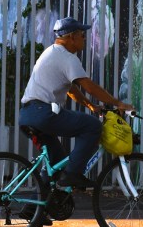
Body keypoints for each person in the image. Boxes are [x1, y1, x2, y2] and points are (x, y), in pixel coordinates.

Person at [19, 16, 134, 190]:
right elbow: (89, 86)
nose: (84, 38)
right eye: (82, 34)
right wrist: (118, 103)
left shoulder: (51, 52)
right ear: (71, 37)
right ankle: (73, 174)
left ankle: (35, 212)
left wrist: (91, 106)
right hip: (43, 112)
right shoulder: (67, 58)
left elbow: (71, 89)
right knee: (93, 126)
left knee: (55, 162)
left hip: (28, 114)